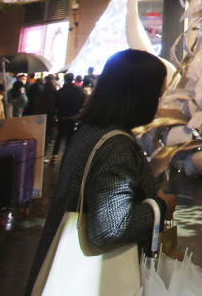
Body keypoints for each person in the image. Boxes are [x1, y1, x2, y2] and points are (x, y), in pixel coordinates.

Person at [24, 50, 173, 296]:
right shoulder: (117, 147)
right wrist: (160, 207)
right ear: (140, 95)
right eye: (158, 94)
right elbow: (109, 227)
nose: (160, 102)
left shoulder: (90, 130)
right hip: (93, 280)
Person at [51, 71, 86, 161]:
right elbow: (83, 98)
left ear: (65, 80)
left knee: (60, 134)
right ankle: (67, 155)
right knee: (70, 136)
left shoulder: (60, 91)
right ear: (73, 79)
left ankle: (54, 154)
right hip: (72, 116)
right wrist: (77, 108)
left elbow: (55, 102)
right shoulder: (78, 91)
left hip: (61, 115)